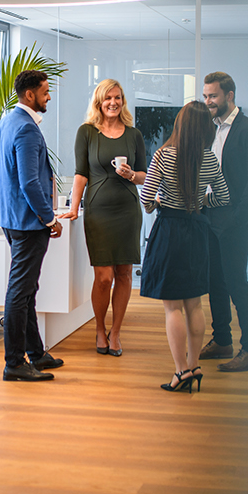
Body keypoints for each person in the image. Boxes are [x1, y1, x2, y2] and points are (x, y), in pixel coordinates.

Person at [139, 102, 230, 392]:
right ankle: (195, 365)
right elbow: (223, 197)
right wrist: (202, 202)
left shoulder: (164, 155)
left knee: (172, 307)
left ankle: (180, 372)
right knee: (195, 302)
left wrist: (158, 204)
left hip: (170, 231)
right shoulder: (209, 158)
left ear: (181, 124)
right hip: (197, 230)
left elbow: (147, 199)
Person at [59, 79, 146, 356]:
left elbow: (144, 175)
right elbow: (81, 174)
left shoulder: (134, 135)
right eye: (108, 98)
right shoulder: (87, 132)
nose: (113, 103)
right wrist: (74, 207)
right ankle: (99, 328)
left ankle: (116, 332)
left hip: (128, 211)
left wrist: (131, 174)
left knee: (124, 274)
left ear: (123, 101)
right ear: (99, 101)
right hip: (98, 212)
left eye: (118, 98)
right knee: (104, 277)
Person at [0, 69, 66, 382]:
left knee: (27, 289)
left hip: (10, 218)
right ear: (30, 95)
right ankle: (14, 363)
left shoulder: (7, 122)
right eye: (45, 91)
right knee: (20, 291)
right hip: (28, 222)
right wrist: (50, 218)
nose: (49, 97)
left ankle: (35, 353)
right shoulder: (27, 130)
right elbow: (30, 182)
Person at [198, 72, 248, 373]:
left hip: (235, 219)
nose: (208, 102)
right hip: (209, 215)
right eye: (205, 96)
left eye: (213, 96)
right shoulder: (208, 129)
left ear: (229, 95)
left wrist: (240, 219)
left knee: (237, 282)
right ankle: (222, 340)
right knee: (215, 282)